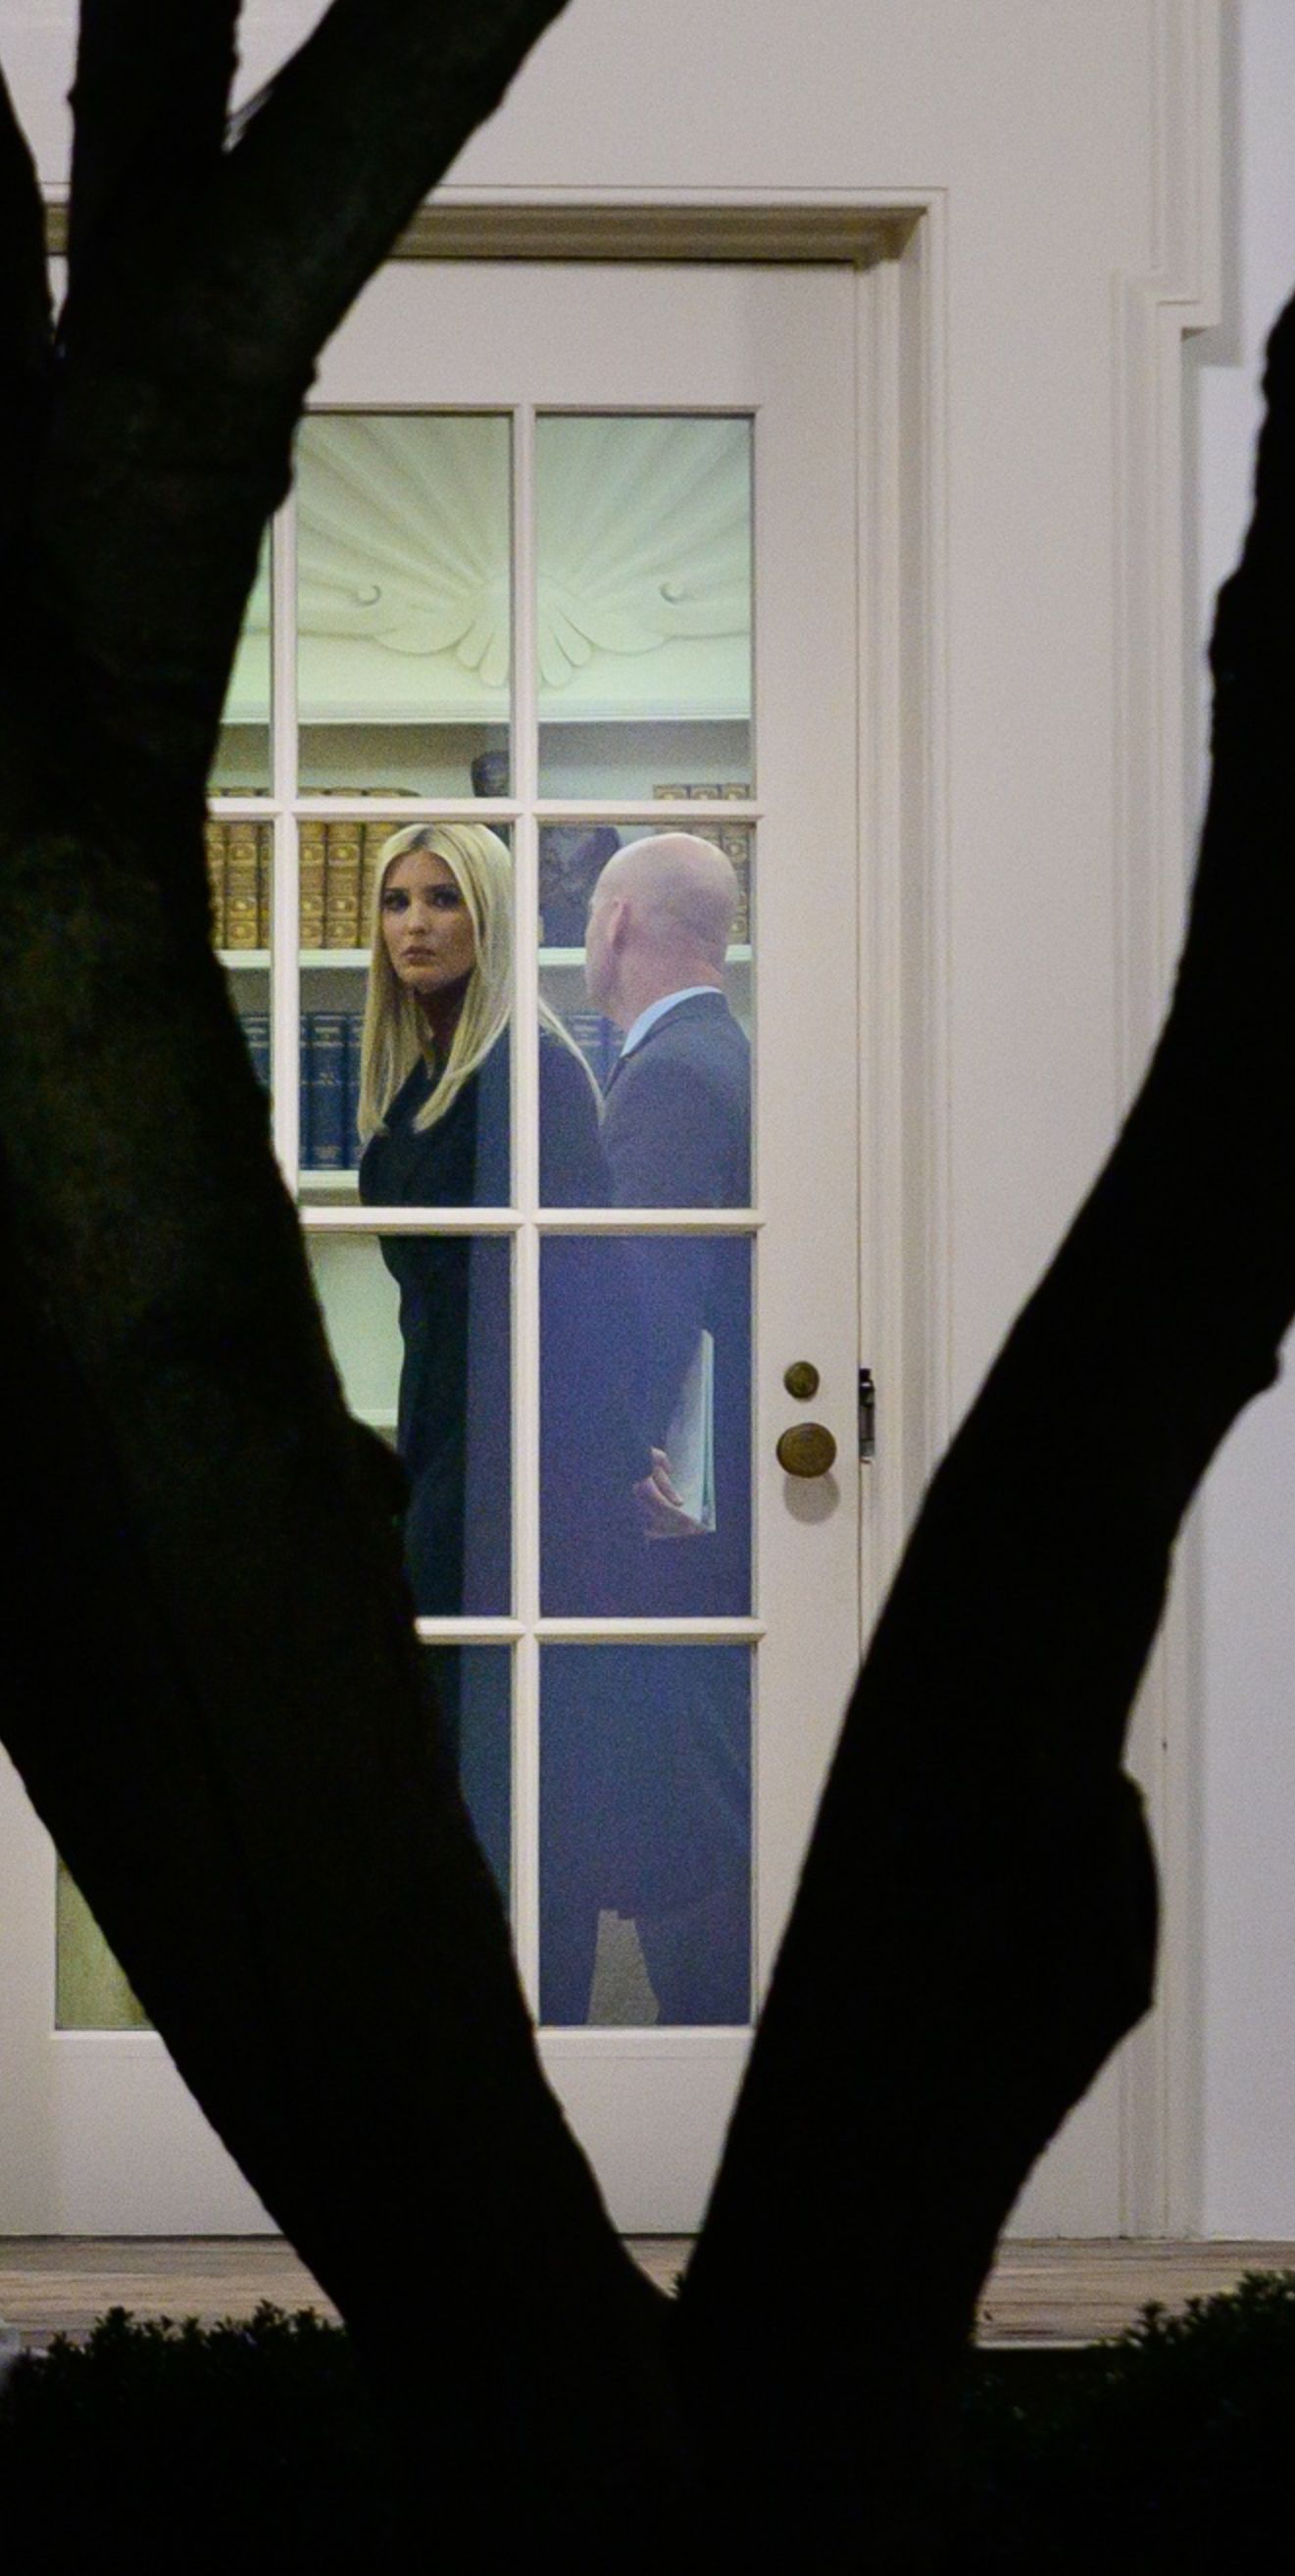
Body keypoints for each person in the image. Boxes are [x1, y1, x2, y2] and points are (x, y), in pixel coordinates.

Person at [352, 823, 610, 1882]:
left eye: (444, 899)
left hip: (516, 1449)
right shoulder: (423, 1082)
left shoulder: (527, 1071)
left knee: (503, 1751)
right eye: (398, 901)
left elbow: (597, 1296)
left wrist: (609, 1452)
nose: (416, 923)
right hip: (445, 1429)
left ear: (493, 916)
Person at [540, 829, 756, 2025]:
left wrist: (625, 1465)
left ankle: (699, 2074)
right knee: (687, 1805)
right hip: (708, 1519)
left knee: (679, 1817)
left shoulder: (668, 1074)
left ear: (616, 921)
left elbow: (643, 1305)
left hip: (667, 1529)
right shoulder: (722, 1052)